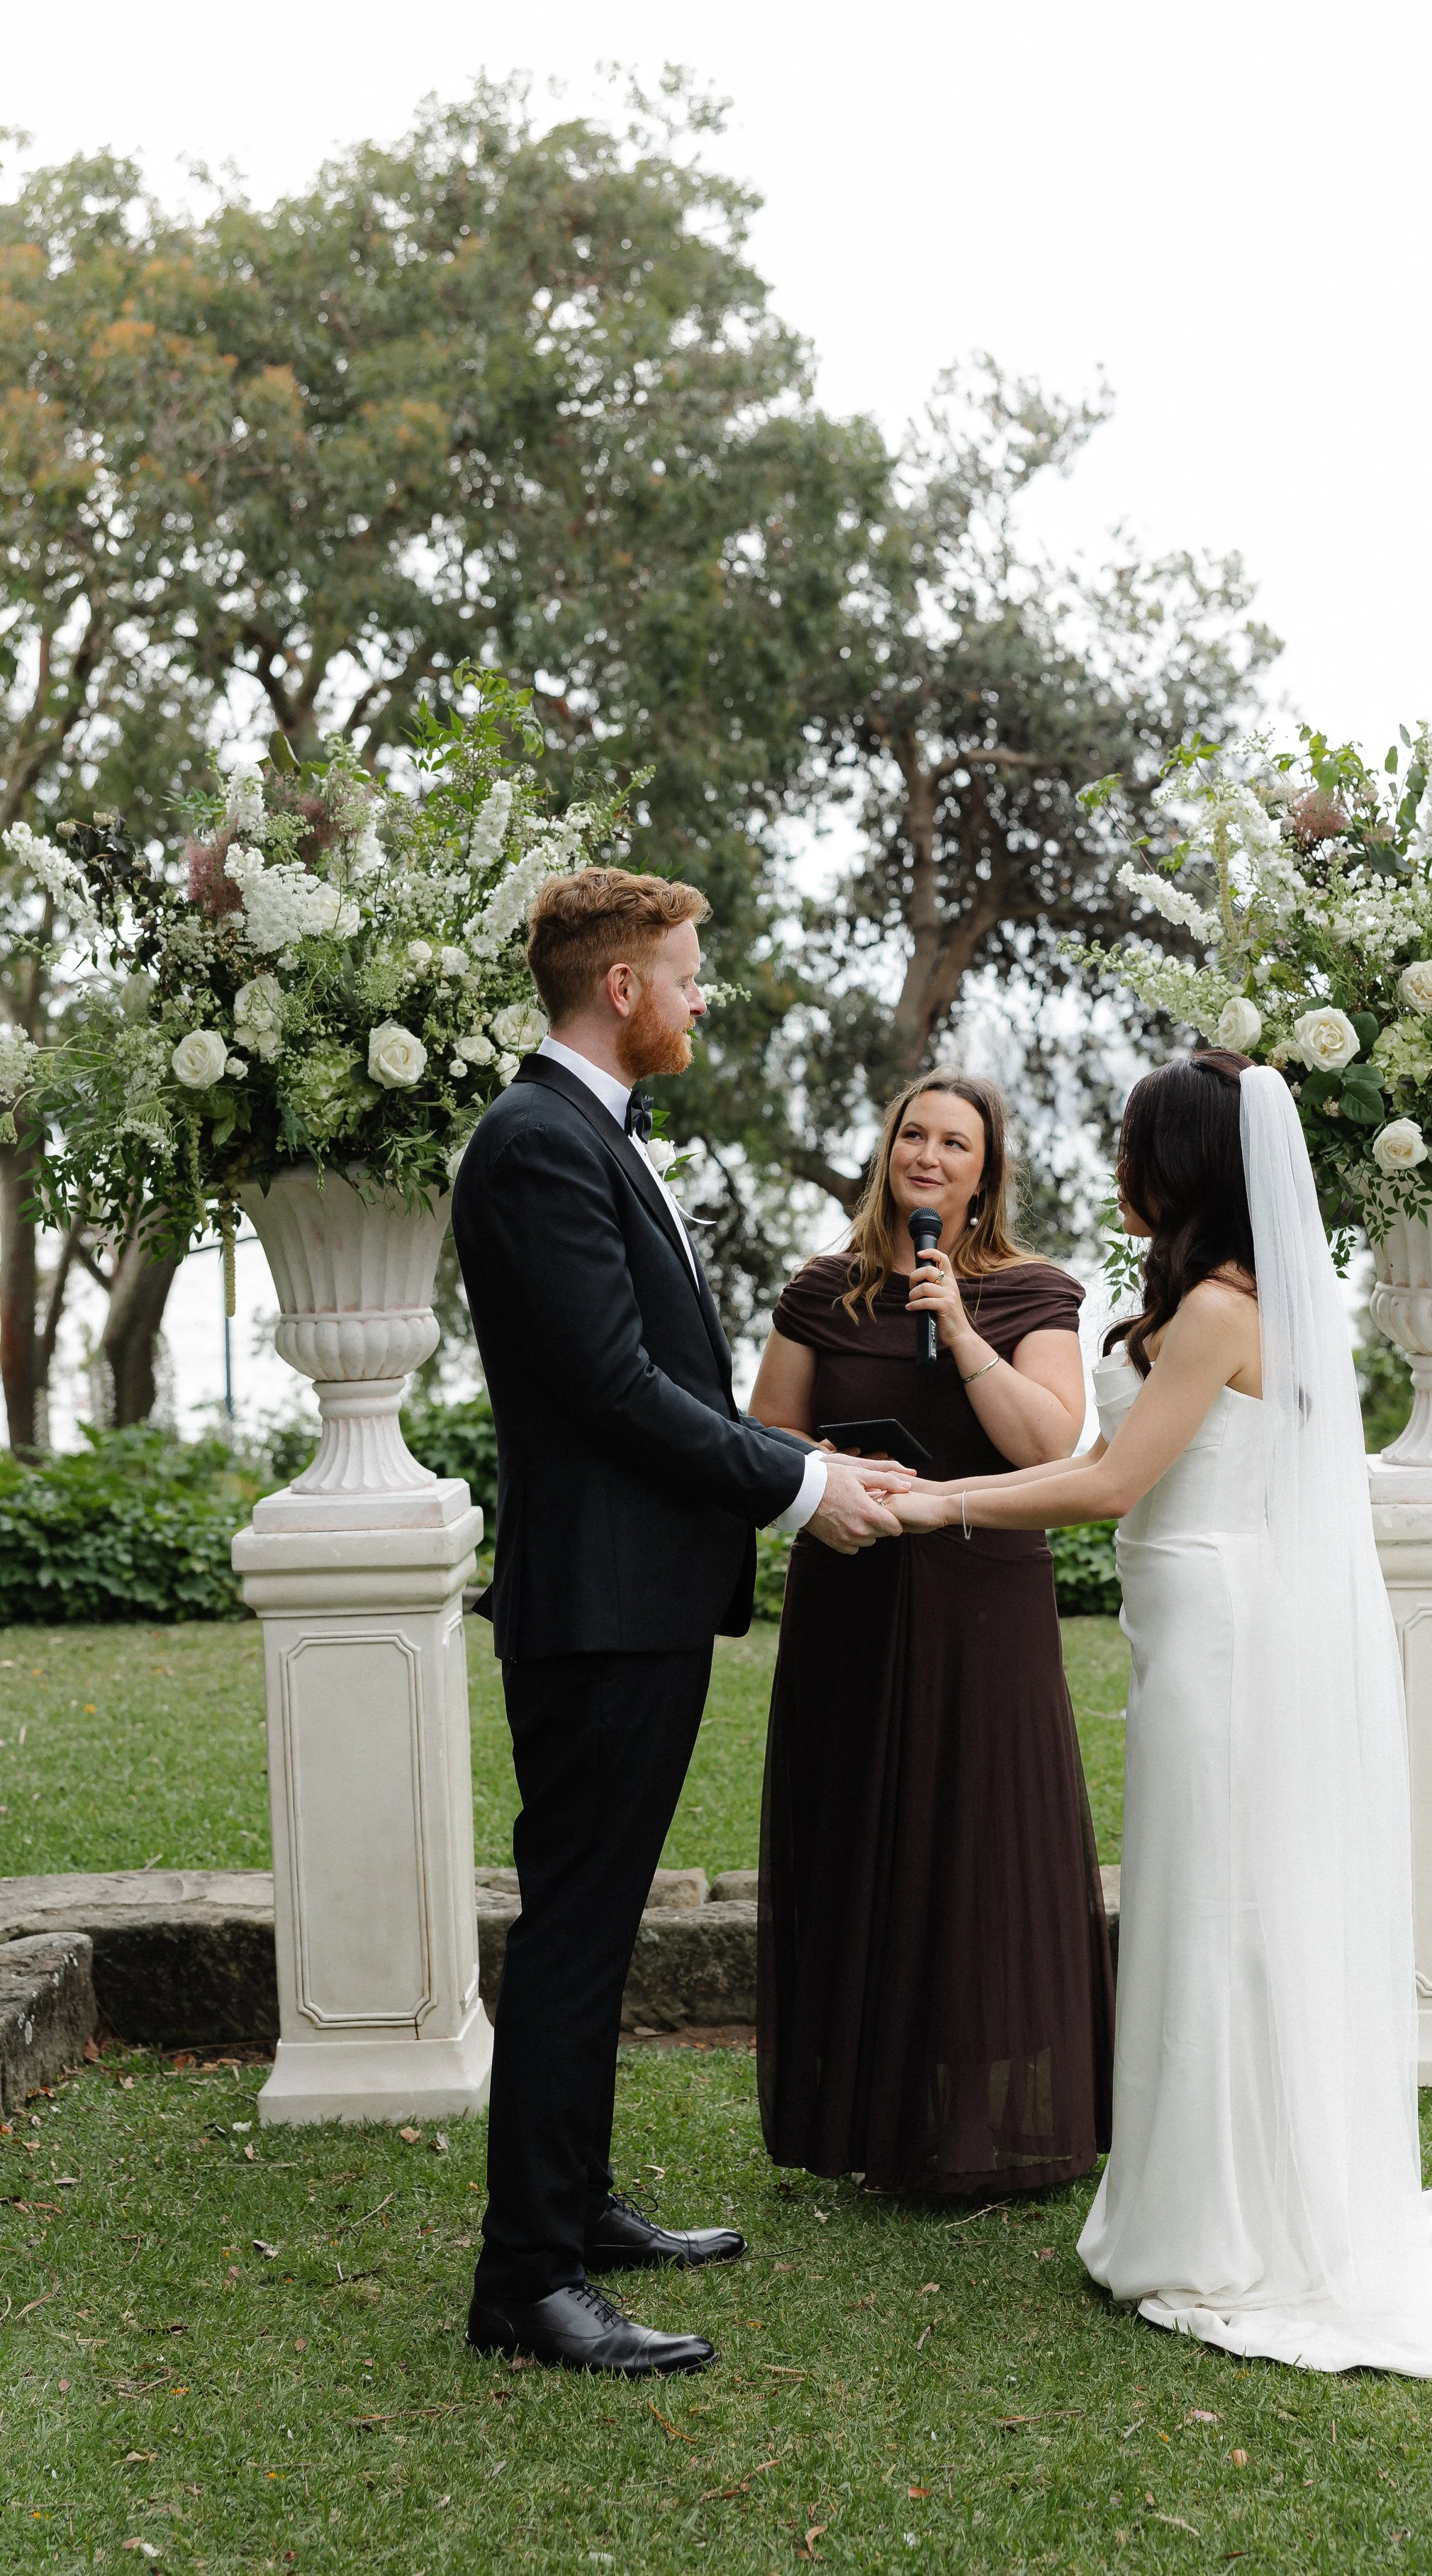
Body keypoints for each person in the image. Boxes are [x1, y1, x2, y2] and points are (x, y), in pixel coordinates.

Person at [892, 1052, 1432, 2411]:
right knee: (1207, 1904)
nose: (1119, 1168)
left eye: (1134, 1148)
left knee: (1218, 1911)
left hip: (1219, 1636)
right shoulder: (1221, 1301)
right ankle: (1213, 2187)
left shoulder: (1219, 1311)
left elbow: (1112, 1483)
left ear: (1182, 1167)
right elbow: (1116, 1469)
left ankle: (1221, 2220)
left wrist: (936, 1506)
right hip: (1192, 1624)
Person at [452, 867, 913, 2377]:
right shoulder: (535, 1141)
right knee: (576, 1932)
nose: (701, 995)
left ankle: (575, 2204)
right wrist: (800, 1484)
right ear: (622, 986)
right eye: (688, 972)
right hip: (597, 1607)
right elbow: (611, 1389)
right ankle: (527, 2281)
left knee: (597, 1924)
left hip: (634, 1598)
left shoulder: (588, 1129)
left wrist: (795, 1467)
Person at [749, 1071, 1115, 2195]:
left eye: (957, 1142)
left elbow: (1050, 1444)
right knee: (859, 1829)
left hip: (984, 1600)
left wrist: (956, 1325)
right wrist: (831, 1469)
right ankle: (869, 2119)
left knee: (977, 1839)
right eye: (914, 1133)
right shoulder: (822, 1290)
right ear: (888, 1150)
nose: (930, 1155)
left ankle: (982, 2125)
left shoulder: (1033, 1291)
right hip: (849, 1590)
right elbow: (765, 1431)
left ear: (985, 1172)